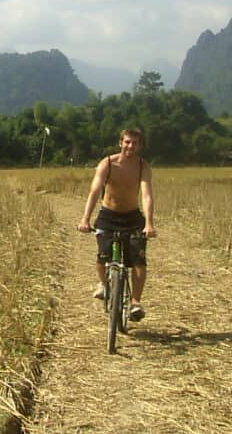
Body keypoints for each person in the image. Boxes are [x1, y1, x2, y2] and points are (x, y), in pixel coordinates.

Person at [77, 127, 156, 321]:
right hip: (108, 216)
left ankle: (135, 302)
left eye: (135, 142)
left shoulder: (142, 167)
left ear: (140, 145)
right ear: (120, 143)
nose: (130, 146)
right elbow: (95, 191)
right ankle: (103, 284)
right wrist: (85, 218)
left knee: (138, 260)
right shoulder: (107, 164)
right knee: (103, 255)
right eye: (127, 142)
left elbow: (146, 195)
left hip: (132, 217)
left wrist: (149, 223)